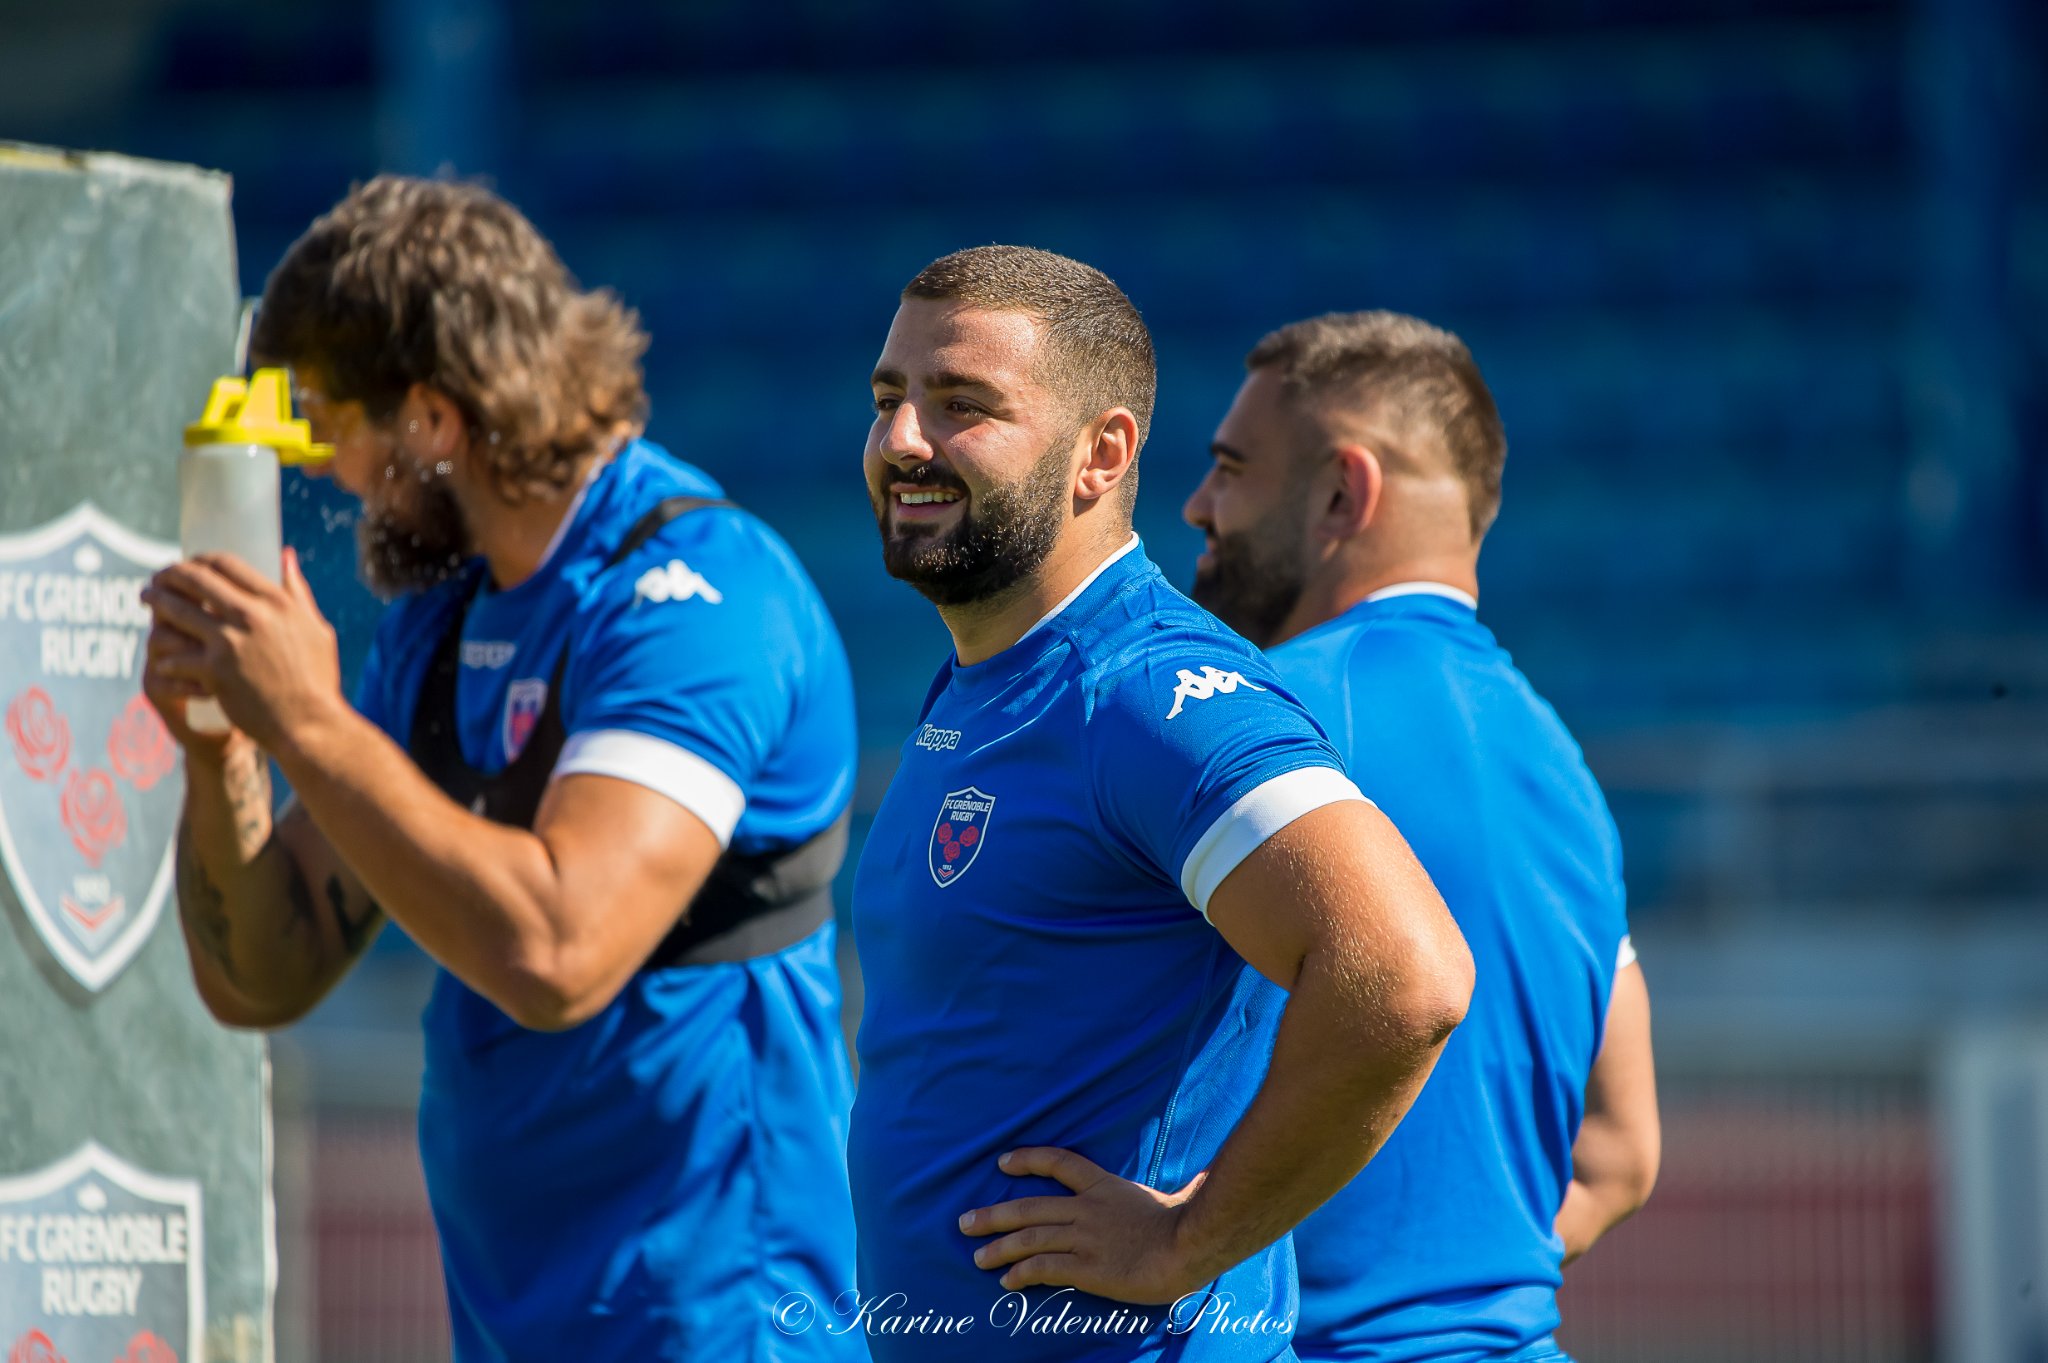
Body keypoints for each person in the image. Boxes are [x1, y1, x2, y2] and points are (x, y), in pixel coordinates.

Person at [142, 176, 865, 1362]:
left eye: (330, 429)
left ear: (431, 420)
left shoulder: (696, 595)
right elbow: (265, 972)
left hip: (719, 1325)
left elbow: (557, 950)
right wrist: (222, 745)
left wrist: (310, 723)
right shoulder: (444, 620)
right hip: (511, 1323)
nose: (324, 473)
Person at [846, 247, 1475, 1363]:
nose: (902, 439)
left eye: (961, 406)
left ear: (1102, 453)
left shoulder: (1144, 687)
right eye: (889, 397)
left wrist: (1186, 1241)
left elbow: (1404, 975)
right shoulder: (987, 683)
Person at [1182, 310, 1661, 1362]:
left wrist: (1179, 1244)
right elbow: (1621, 1154)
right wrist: (1453, 1301)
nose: (1197, 504)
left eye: (1230, 468)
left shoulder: (1250, 721)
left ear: (1341, 493)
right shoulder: (1568, 771)